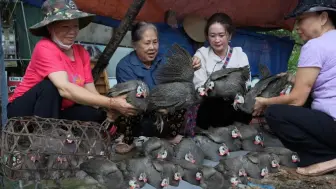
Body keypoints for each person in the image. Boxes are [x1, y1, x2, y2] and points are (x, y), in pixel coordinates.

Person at [7, 0, 136, 123]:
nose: (72, 32)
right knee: (50, 87)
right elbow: (65, 89)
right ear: (50, 28)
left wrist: (109, 108)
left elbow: (90, 91)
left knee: (95, 113)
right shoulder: (44, 47)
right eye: (65, 26)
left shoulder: (81, 52)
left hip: (56, 111)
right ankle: (45, 138)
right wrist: (111, 102)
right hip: (24, 109)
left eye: (75, 26)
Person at [253, 0, 336, 176]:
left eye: (301, 19)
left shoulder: (315, 45)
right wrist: (293, 77)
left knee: (275, 113)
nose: (297, 27)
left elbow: (297, 99)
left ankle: (325, 157)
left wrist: (265, 101)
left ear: (323, 18)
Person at [115, 21, 201, 153]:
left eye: (155, 42)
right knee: (127, 106)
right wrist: (161, 104)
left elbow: (177, 82)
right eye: (147, 43)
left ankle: (169, 135)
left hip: (164, 113)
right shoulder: (124, 66)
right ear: (134, 44)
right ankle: (129, 138)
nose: (152, 47)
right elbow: (133, 99)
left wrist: (190, 66)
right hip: (141, 115)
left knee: (187, 94)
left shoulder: (165, 59)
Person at [193, 12, 252, 129]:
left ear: (229, 36)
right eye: (212, 35)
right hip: (210, 106)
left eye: (221, 35)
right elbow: (199, 86)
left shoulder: (240, 55)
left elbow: (246, 84)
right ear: (207, 36)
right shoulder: (201, 55)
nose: (217, 40)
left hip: (235, 104)